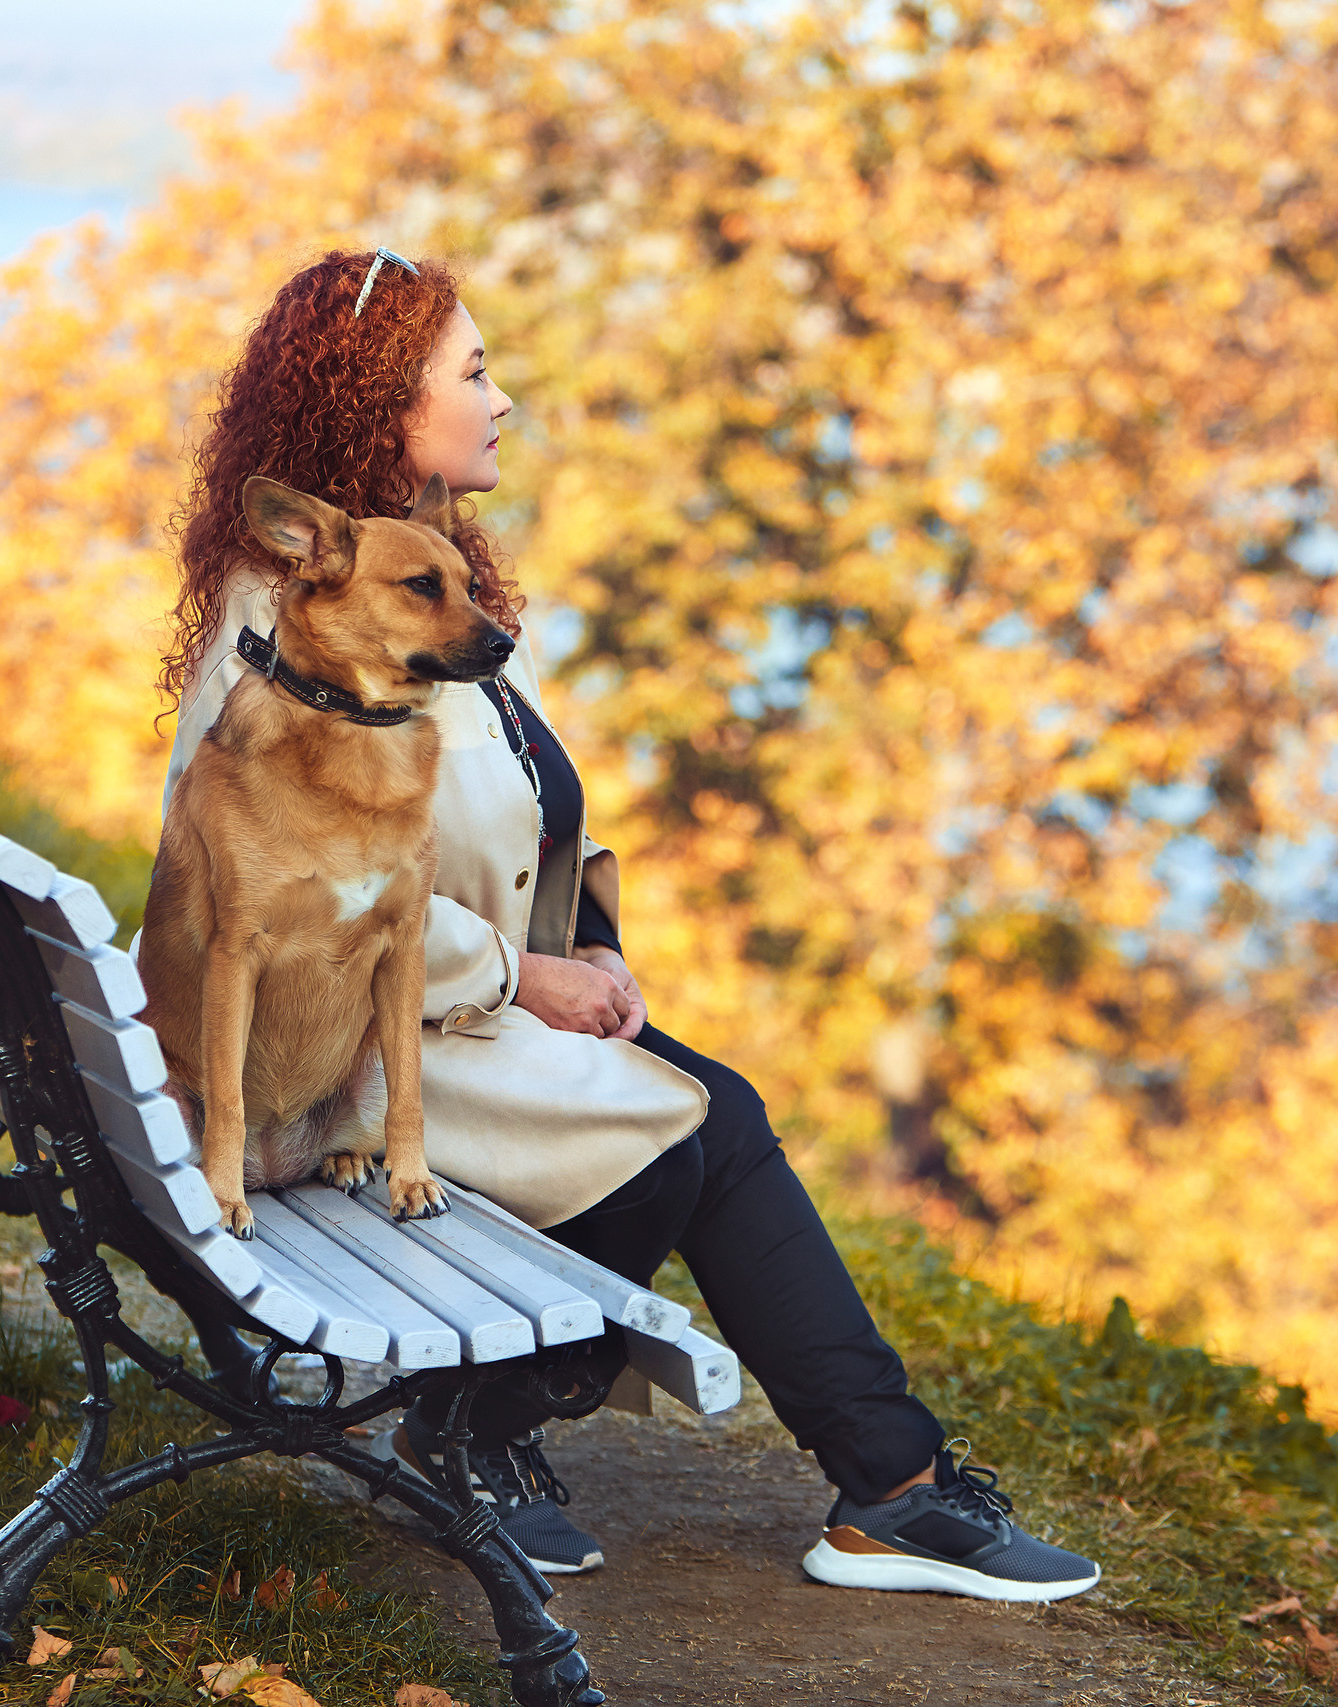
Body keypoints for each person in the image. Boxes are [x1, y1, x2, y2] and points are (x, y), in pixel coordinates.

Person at [158, 247, 1098, 1603]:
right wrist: (519, 978)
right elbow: (262, 884)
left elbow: (535, 798)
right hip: (342, 1057)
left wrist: (593, 938)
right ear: (382, 405)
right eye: (474, 374)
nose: (505, 401)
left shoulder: (435, 590)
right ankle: (522, 1437)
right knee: (699, 1125)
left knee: (702, 1108)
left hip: (445, 1016)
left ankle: (858, 1484)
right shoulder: (293, 627)